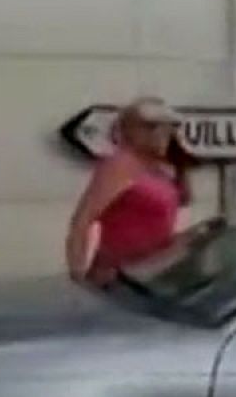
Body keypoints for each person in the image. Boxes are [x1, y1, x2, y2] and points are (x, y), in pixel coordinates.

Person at [65, 97, 193, 284]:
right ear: (129, 130)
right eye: (151, 127)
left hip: (152, 276)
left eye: (168, 126)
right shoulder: (119, 166)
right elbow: (81, 222)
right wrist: (77, 277)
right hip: (118, 278)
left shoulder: (160, 168)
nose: (162, 133)